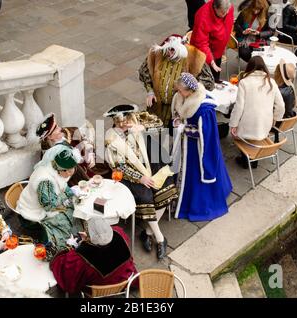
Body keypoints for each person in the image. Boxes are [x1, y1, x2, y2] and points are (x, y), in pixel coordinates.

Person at [104, 104, 179, 260]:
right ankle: (160, 238)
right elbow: (119, 167)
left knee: (165, 186)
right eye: (119, 122)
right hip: (132, 176)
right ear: (114, 122)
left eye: (125, 120)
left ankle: (148, 232)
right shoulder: (111, 139)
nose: (123, 125)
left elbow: (160, 124)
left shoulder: (138, 121)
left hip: (152, 161)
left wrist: (142, 127)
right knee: (145, 197)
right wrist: (140, 178)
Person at [171, 73, 232, 221]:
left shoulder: (204, 109)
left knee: (193, 174)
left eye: (181, 91)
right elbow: (178, 114)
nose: (178, 93)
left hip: (196, 149)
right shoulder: (181, 96)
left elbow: (204, 133)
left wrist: (182, 128)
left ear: (190, 91)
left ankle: (195, 204)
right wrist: (177, 120)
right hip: (184, 143)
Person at [16, 144, 85, 251]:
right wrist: (68, 194)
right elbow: (49, 206)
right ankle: (65, 243)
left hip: (47, 202)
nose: (71, 174)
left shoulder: (54, 167)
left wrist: (71, 191)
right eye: (70, 172)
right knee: (65, 219)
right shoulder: (45, 181)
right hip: (34, 211)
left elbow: (62, 184)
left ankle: (75, 234)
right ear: (62, 170)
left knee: (74, 206)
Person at [138, 34, 215, 126]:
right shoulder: (156, 54)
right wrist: (150, 91)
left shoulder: (194, 58)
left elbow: (209, 82)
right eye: (167, 49)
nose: (168, 53)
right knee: (154, 136)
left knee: (175, 135)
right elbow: (144, 72)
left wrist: (188, 91)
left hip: (178, 109)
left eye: (172, 50)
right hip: (157, 106)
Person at [50, 217, 137, 296]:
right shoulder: (119, 233)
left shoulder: (81, 257)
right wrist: (88, 239)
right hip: (124, 281)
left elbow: (65, 273)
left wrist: (78, 246)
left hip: (99, 290)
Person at [229, 56, 285, 168]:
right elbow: (281, 106)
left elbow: (239, 107)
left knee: (234, 131)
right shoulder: (271, 82)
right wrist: (275, 119)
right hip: (265, 127)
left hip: (247, 130)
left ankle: (247, 158)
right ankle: (251, 155)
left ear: (249, 67)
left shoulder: (244, 82)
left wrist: (233, 125)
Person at [35, 113, 111, 186]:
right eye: (56, 129)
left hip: (89, 164)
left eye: (57, 126)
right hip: (75, 177)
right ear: (50, 137)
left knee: (108, 175)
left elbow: (84, 140)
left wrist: (90, 153)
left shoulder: (70, 131)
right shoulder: (50, 152)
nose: (60, 128)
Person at [190, 0, 235, 82]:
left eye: (227, 11)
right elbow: (201, 43)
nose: (225, 14)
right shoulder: (202, 17)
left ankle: (215, 82)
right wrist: (211, 61)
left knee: (216, 75)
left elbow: (228, 26)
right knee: (202, 76)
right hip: (204, 51)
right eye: (222, 12)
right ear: (215, 7)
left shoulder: (228, 8)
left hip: (218, 49)